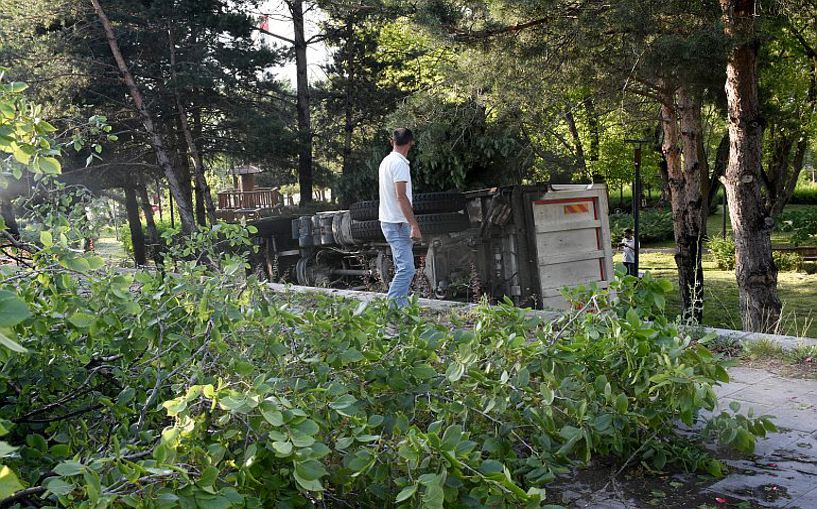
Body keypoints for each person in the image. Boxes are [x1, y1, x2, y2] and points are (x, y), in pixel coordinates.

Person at [379, 128, 421, 307]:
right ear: (411, 143)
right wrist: (414, 225)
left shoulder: (386, 161)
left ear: (392, 141)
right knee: (407, 269)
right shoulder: (399, 164)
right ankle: (391, 310)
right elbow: (401, 196)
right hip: (397, 223)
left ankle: (400, 310)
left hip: (389, 221)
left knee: (401, 268)